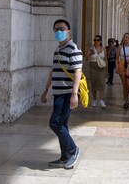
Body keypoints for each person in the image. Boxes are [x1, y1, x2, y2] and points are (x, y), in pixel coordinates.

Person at [41, 19, 81, 169]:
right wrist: (46, 90)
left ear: (68, 31)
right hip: (57, 93)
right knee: (61, 124)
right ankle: (65, 157)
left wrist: (74, 94)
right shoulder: (58, 50)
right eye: (56, 29)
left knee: (55, 123)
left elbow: (78, 71)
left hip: (66, 93)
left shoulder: (73, 49)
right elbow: (53, 71)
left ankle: (73, 150)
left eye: (62, 29)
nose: (59, 32)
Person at [87, 35, 107, 107]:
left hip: (101, 68)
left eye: (98, 40)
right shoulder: (91, 49)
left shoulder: (104, 49)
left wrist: (106, 70)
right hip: (93, 67)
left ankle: (101, 100)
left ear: (100, 41)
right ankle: (95, 100)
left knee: (101, 83)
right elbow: (86, 59)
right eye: (95, 40)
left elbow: (105, 59)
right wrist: (89, 54)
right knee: (94, 84)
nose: (96, 42)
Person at [116, 33, 129, 109]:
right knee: (124, 85)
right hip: (122, 65)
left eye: (127, 37)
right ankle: (126, 101)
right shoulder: (120, 47)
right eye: (124, 37)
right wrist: (116, 67)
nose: (125, 38)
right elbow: (117, 58)